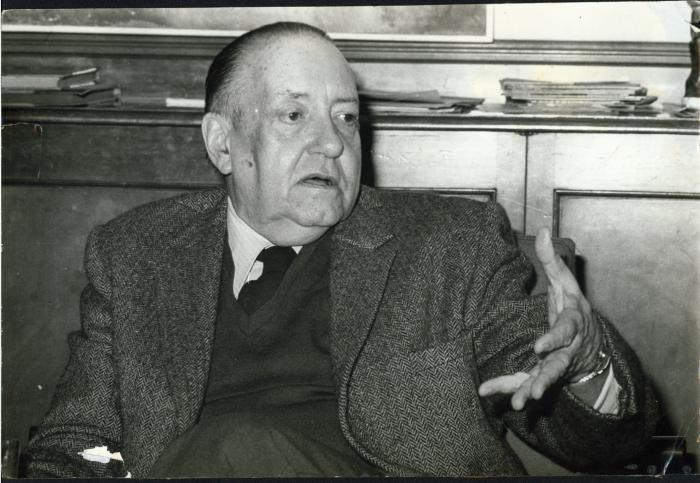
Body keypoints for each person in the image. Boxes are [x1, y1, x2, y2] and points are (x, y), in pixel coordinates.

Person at [23, 22, 658, 478]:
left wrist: (585, 364)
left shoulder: (449, 246)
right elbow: (74, 444)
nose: (332, 143)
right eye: (294, 116)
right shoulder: (135, 255)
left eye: (346, 117)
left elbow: (599, 439)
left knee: (239, 446)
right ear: (222, 143)